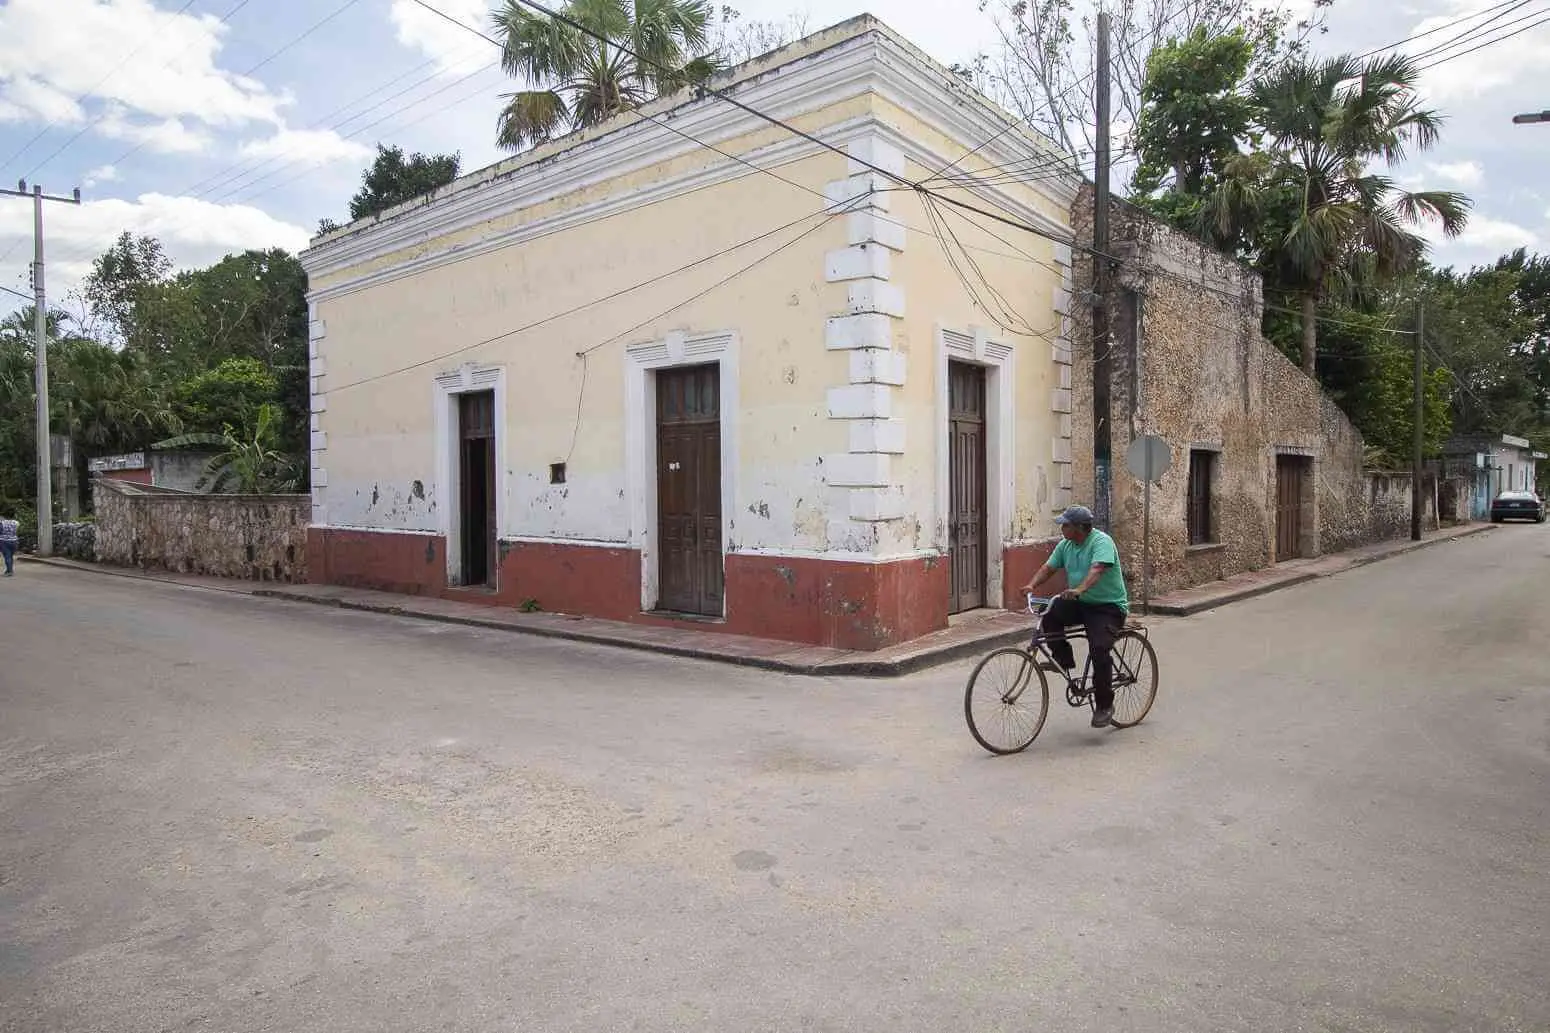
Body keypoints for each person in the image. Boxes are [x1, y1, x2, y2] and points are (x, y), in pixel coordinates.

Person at [1020, 504, 1129, 728]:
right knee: (1050, 614)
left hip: (1107, 607)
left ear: (1080, 527)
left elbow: (1097, 569)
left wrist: (1080, 589)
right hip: (1081, 603)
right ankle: (1064, 659)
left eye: (1066, 525)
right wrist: (1031, 585)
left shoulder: (1102, 542)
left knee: (1099, 650)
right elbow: (1048, 568)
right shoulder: (1066, 545)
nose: (1062, 528)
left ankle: (1104, 706)